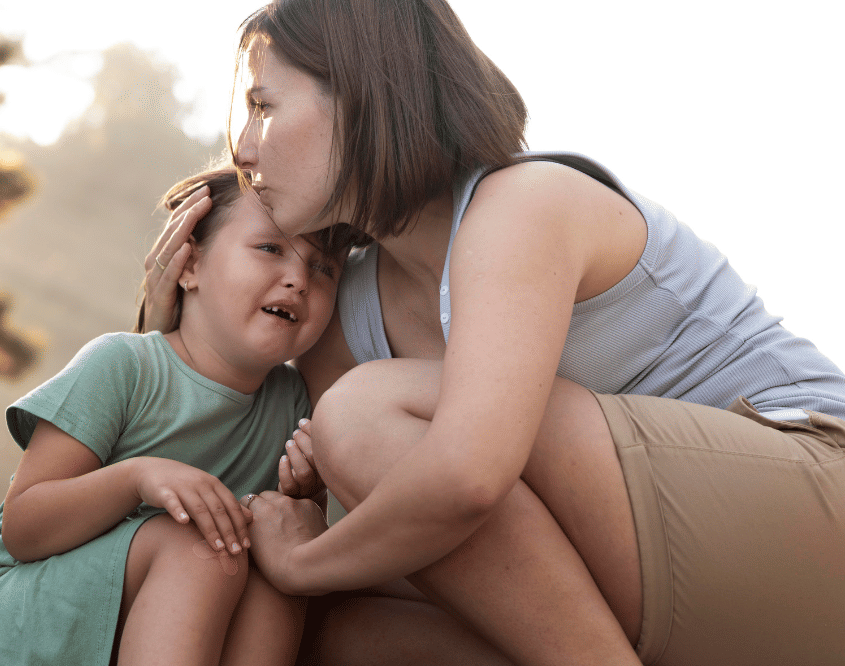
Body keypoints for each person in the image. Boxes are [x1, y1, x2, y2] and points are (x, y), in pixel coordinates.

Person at [140, 2, 845, 665]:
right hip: (676, 582)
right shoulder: (345, 318)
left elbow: (465, 478)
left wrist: (300, 565)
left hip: (811, 503)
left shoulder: (524, 206)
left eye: (264, 106)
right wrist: (174, 328)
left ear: (361, 101)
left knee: (361, 420)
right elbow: (390, 529)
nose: (243, 145)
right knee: (347, 632)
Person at [0, 165, 355, 666]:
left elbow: (294, 532)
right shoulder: (122, 365)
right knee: (204, 548)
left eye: (323, 268)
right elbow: (24, 527)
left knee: (276, 567)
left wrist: (301, 496)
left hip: (159, 613)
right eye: (271, 249)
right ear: (188, 266)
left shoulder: (294, 402)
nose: (299, 279)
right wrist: (137, 477)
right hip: (9, 606)